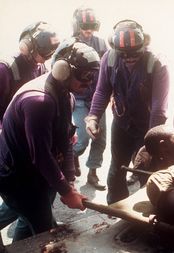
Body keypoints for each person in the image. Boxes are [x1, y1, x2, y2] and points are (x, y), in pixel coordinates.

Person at [0, 38, 100, 241]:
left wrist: (69, 181)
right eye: (84, 76)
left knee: (28, 219)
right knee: (46, 231)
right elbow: (42, 155)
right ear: (63, 70)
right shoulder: (39, 101)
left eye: (92, 76)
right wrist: (67, 192)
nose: (89, 83)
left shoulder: (66, 95)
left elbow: (66, 139)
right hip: (16, 176)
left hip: (34, 171)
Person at [85, 19, 169, 204]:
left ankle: (149, 210)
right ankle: (116, 208)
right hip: (121, 123)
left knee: (146, 172)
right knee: (117, 169)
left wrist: (150, 144)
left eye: (135, 54)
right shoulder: (109, 58)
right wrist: (92, 117)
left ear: (144, 45)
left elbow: (159, 109)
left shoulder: (157, 63)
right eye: (124, 55)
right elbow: (101, 91)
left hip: (148, 126)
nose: (129, 59)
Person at [0, 21, 60, 241]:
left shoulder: (39, 66)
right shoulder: (5, 69)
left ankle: (27, 236)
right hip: (9, 144)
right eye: (43, 52)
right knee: (23, 199)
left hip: (25, 142)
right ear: (28, 46)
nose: (46, 57)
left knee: (25, 205)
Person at [71, 6, 108, 190]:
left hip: (97, 99)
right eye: (85, 26)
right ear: (77, 25)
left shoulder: (101, 44)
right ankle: (70, 161)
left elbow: (109, 69)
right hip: (77, 99)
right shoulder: (69, 43)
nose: (89, 30)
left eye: (92, 26)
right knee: (82, 139)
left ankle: (93, 173)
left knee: (100, 138)